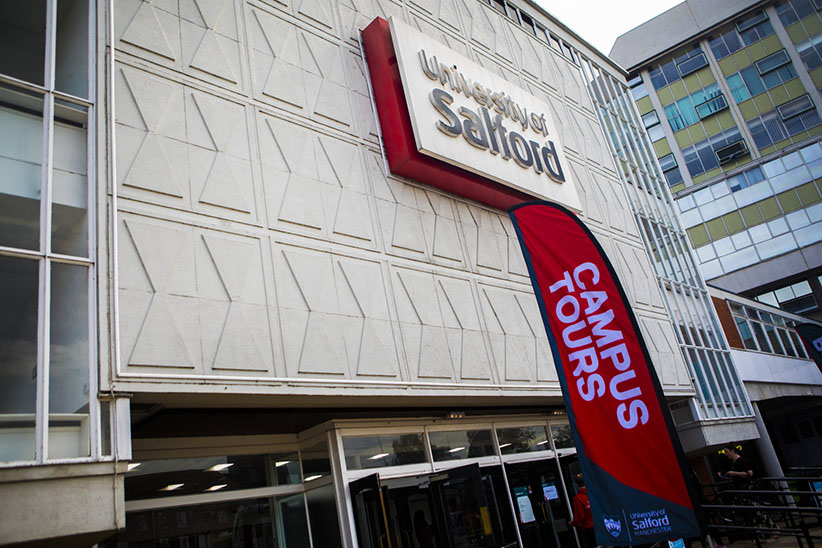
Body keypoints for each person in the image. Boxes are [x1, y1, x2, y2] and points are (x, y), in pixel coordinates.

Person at [569, 474, 596, 548]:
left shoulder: (578, 498)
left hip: (590, 528)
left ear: (577, 484)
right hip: (603, 524)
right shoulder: (595, 493)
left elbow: (580, 516)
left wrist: (573, 523)